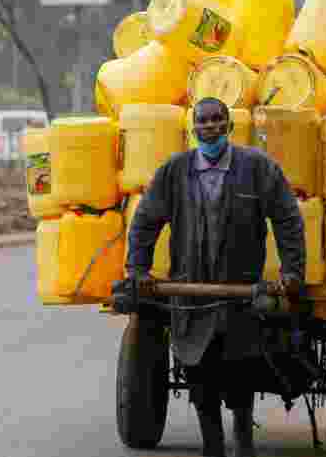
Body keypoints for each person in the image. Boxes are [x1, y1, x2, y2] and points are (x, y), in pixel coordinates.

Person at [125, 97, 306, 457]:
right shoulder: (173, 172)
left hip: (239, 293)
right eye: (203, 121)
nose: (210, 126)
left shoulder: (257, 167)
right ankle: (212, 444)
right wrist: (139, 270)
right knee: (198, 371)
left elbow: (287, 218)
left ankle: (242, 435)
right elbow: (145, 221)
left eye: (217, 120)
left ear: (229, 126)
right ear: (193, 129)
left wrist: (292, 271)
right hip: (190, 293)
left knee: (240, 368)